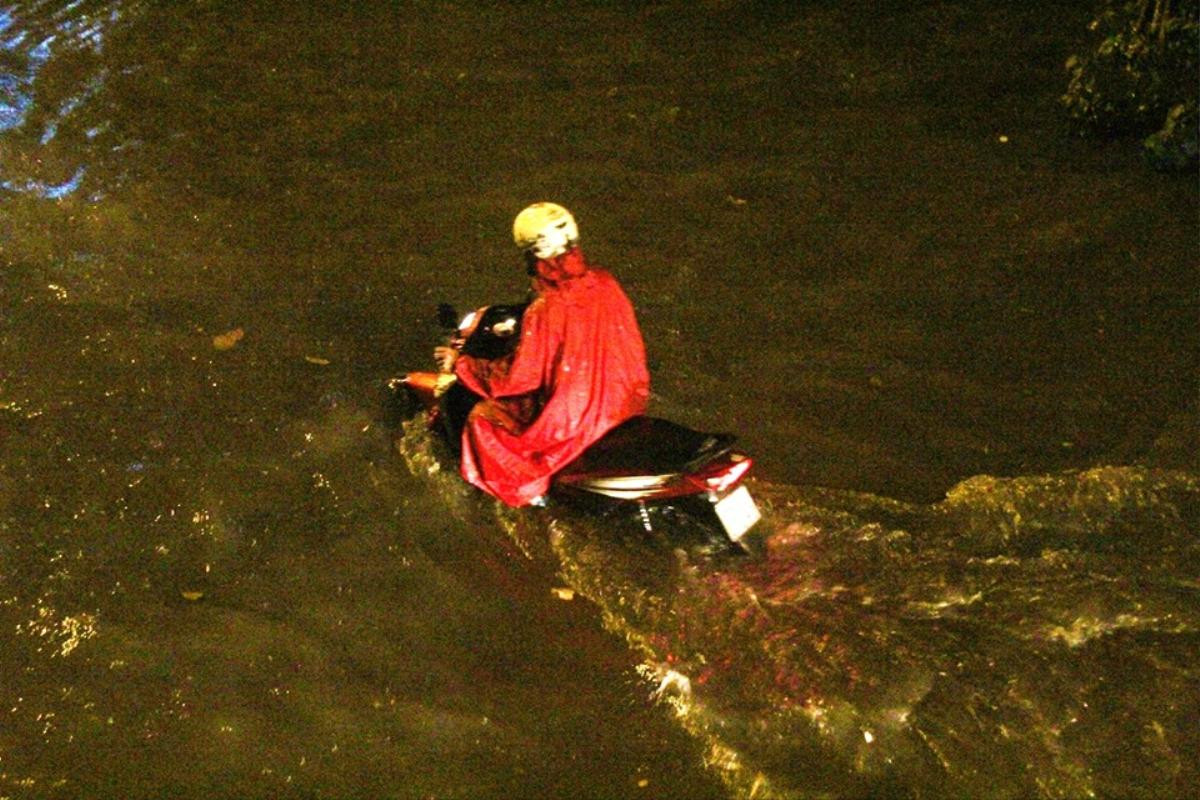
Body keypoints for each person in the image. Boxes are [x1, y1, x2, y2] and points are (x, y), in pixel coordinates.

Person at [436, 202, 650, 507]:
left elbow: (514, 379)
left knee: (483, 420)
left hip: (577, 419)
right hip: (624, 404)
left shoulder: (548, 307)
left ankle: (528, 496)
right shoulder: (606, 283)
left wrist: (463, 364)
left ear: (532, 254)